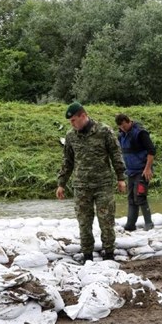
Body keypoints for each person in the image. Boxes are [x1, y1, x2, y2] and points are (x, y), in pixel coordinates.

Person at [56, 102, 126, 262]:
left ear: (83, 116)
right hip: (81, 186)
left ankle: (109, 254)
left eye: (74, 120)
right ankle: (87, 256)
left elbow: (116, 154)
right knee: (84, 222)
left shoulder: (104, 131)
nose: (72, 124)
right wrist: (61, 183)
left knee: (106, 221)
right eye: (70, 122)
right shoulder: (71, 136)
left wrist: (121, 178)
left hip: (103, 185)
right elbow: (67, 161)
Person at [115, 113, 156, 231]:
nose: (122, 129)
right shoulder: (121, 135)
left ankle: (149, 223)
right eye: (120, 127)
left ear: (128, 121)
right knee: (131, 198)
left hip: (142, 170)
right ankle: (130, 224)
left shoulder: (140, 133)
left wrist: (147, 168)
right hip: (131, 171)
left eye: (124, 126)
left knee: (140, 196)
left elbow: (151, 151)